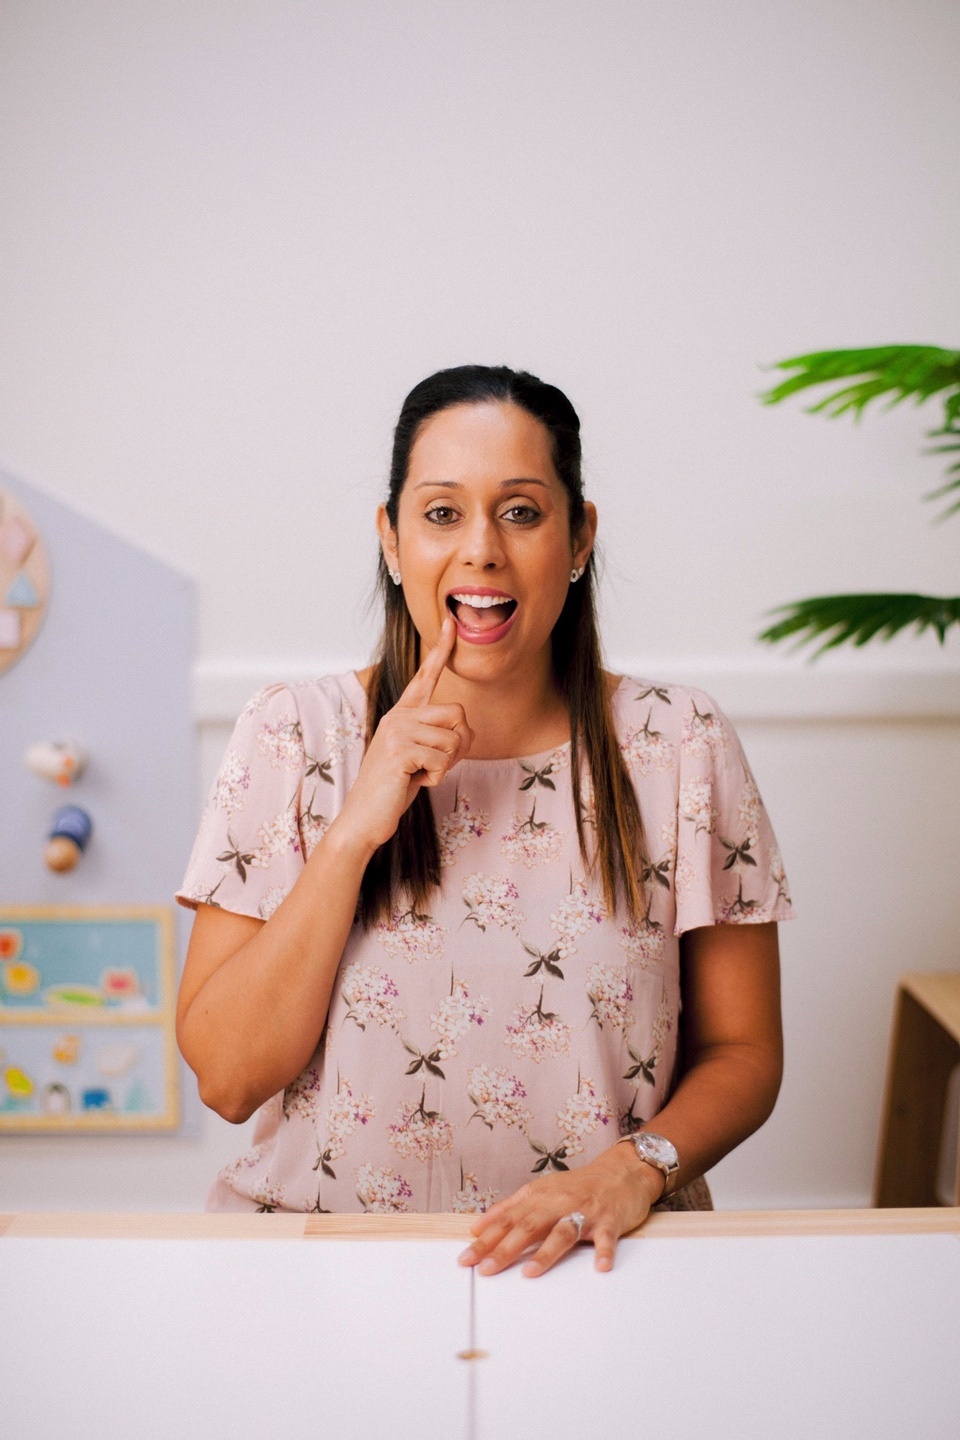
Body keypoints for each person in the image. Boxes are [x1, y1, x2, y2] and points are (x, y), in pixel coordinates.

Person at [175, 364, 793, 1278]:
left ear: (579, 536)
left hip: (603, 1263)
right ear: (391, 539)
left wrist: (632, 1170)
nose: (481, 551)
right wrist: (354, 832)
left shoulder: (679, 742)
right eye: (441, 513)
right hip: (323, 1267)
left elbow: (744, 1053)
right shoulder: (294, 733)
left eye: (521, 512)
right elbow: (227, 1081)